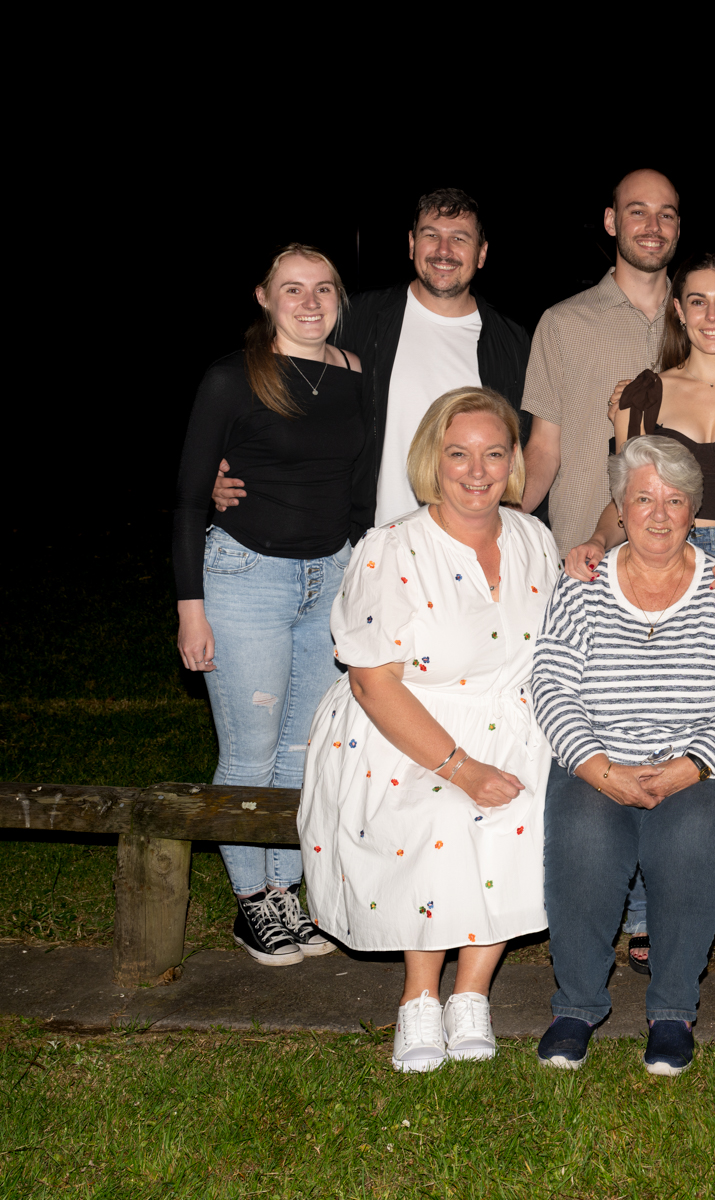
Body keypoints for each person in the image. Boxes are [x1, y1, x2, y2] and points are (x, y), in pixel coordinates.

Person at [298, 387, 560, 1073]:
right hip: (405, 728)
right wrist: (461, 767)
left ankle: (470, 993)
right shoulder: (392, 548)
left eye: (493, 454)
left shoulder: (534, 539)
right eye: (458, 454)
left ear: (513, 462)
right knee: (442, 813)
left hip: (512, 719)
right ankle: (419, 996)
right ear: (431, 461)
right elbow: (372, 682)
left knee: (527, 807)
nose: (477, 471)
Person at [531, 436, 715, 1078]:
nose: (659, 514)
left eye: (675, 500)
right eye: (643, 499)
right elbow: (550, 683)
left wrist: (692, 766)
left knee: (688, 836)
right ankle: (576, 1005)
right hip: (600, 755)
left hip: (708, 762)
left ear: (694, 512)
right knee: (583, 836)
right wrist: (597, 767)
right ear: (620, 507)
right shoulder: (582, 584)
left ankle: (672, 1010)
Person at [174, 243, 368, 969]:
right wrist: (191, 608)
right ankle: (251, 900)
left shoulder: (354, 373)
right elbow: (190, 498)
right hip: (245, 577)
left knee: (303, 748)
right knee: (251, 749)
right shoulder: (232, 377)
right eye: (293, 289)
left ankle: (284, 888)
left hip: (328, 580)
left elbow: (356, 483)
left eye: (323, 289)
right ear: (264, 297)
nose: (309, 302)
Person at [212, 188, 535, 526]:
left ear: (481, 253)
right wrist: (224, 460)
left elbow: (526, 447)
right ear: (411, 243)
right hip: (366, 538)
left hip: (469, 541)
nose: (443, 250)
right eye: (431, 235)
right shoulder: (357, 318)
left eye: (459, 238)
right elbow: (279, 377)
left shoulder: (512, 343)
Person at [565, 253, 715, 600]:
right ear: (680, 310)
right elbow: (626, 501)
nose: (712, 316)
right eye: (698, 302)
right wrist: (597, 541)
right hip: (656, 555)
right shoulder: (643, 395)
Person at [522, 169, 681, 556]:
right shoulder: (562, 323)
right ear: (611, 221)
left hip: (682, 557)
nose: (653, 226)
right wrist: (498, 517)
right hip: (582, 555)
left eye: (666, 214)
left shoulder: (702, 326)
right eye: (638, 212)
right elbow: (544, 449)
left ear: (678, 227)